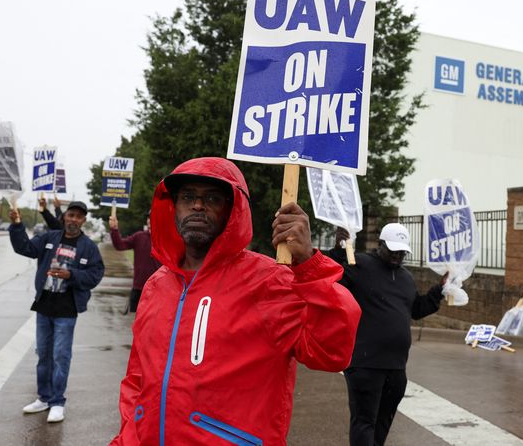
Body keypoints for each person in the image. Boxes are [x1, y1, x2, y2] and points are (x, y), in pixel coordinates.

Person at [110, 157, 361, 445]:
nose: (197, 205)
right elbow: (137, 379)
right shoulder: (157, 285)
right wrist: (126, 437)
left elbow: (331, 353)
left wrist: (308, 265)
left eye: (213, 198)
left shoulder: (269, 281)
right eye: (188, 196)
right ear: (173, 206)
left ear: (233, 211)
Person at [329, 223, 446, 446]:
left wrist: (438, 291)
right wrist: (337, 249)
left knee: (383, 422)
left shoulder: (406, 278)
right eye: (393, 249)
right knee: (364, 422)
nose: (397, 255)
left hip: (396, 368)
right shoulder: (360, 264)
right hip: (365, 364)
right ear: (380, 245)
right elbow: (333, 280)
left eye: (402, 251)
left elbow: (416, 310)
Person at [8, 200, 105, 424]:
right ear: (64, 217)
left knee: (61, 356)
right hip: (44, 305)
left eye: (78, 217)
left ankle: (57, 402)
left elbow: (96, 274)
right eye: (70, 215)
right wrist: (16, 226)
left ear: (83, 221)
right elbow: (25, 248)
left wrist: (72, 276)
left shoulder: (88, 247)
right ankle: (43, 398)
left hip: (67, 308)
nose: (73, 220)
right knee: (43, 354)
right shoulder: (50, 238)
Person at [108, 211, 160, 313]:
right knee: (136, 324)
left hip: (158, 289)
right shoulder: (139, 236)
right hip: (138, 288)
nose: (150, 220)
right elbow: (119, 245)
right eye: (149, 217)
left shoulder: (166, 239)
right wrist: (114, 229)